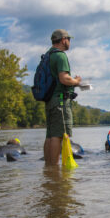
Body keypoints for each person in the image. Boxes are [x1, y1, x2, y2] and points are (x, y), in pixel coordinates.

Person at [44, 29, 82, 166]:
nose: (70, 42)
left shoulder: (48, 55)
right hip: (60, 100)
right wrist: (76, 82)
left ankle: (48, 168)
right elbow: (64, 79)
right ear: (63, 40)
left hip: (49, 100)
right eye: (69, 39)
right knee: (58, 135)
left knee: (49, 135)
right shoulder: (60, 56)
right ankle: (54, 169)